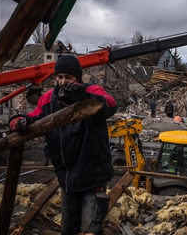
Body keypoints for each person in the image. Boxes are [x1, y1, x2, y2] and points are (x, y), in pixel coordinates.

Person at [8, 55, 117, 234]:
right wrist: (17, 121)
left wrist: (84, 97)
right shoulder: (48, 99)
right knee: (68, 229)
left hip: (92, 176)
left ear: (77, 77)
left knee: (90, 229)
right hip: (67, 179)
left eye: (69, 77)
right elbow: (34, 117)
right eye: (59, 77)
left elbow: (110, 104)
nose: (63, 82)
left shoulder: (93, 90)